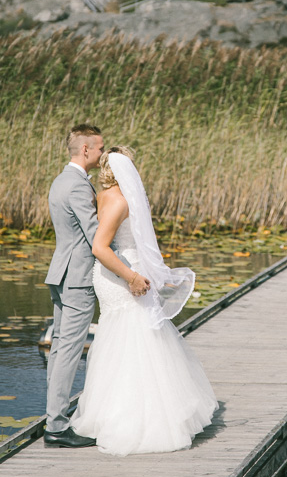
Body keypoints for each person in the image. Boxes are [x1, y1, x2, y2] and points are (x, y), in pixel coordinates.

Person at [70, 147, 217, 456]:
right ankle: (136, 420)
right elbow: (100, 246)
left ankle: (114, 413)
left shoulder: (106, 195)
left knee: (126, 340)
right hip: (121, 274)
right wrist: (132, 277)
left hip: (124, 271)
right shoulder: (121, 200)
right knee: (136, 339)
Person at [43, 125, 149, 448]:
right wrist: (130, 273)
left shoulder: (62, 181)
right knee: (69, 352)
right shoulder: (77, 187)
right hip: (77, 279)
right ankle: (57, 426)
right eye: (100, 148)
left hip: (60, 273)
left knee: (59, 346)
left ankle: (53, 416)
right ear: (86, 150)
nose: (104, 154)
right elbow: (96, 240)